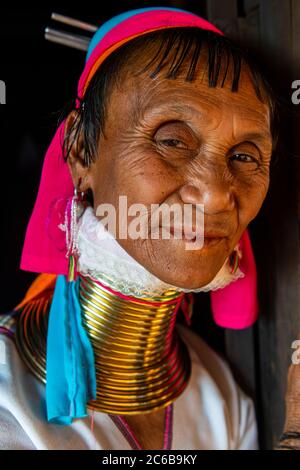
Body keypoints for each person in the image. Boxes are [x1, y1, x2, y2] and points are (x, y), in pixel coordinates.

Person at [0, 6, 299, 451]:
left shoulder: (221, 399)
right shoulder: (8, 393)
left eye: (244, 156)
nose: (218, 194)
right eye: (173, 140)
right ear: (81, 151)